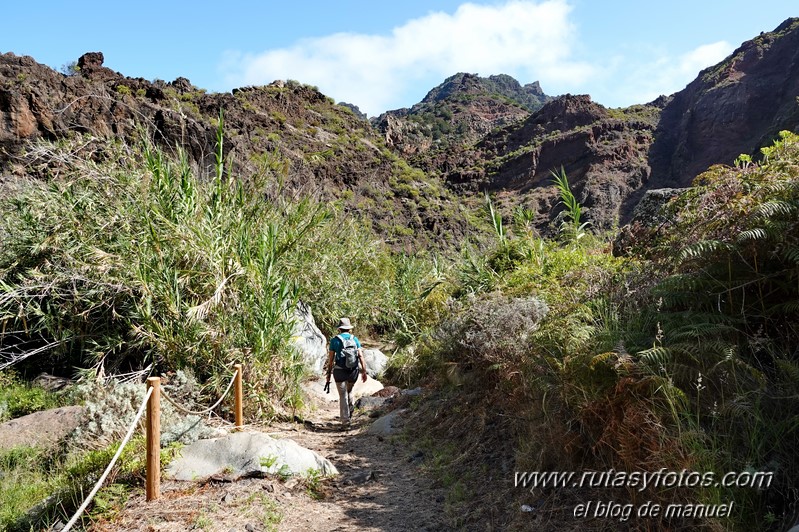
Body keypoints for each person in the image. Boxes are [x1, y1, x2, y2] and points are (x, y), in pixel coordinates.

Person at [325, 317, 367, 427]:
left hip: (339, 371)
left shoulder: (334, 341)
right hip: (353, 371)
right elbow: (361, 356)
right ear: (349, 329)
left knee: (342, 395)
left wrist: (328, 375)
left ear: (339, 329)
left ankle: (345, 421)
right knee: (350, 391)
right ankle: (350, 412)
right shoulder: (355, 339)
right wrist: (364, 371)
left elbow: (331, 360)